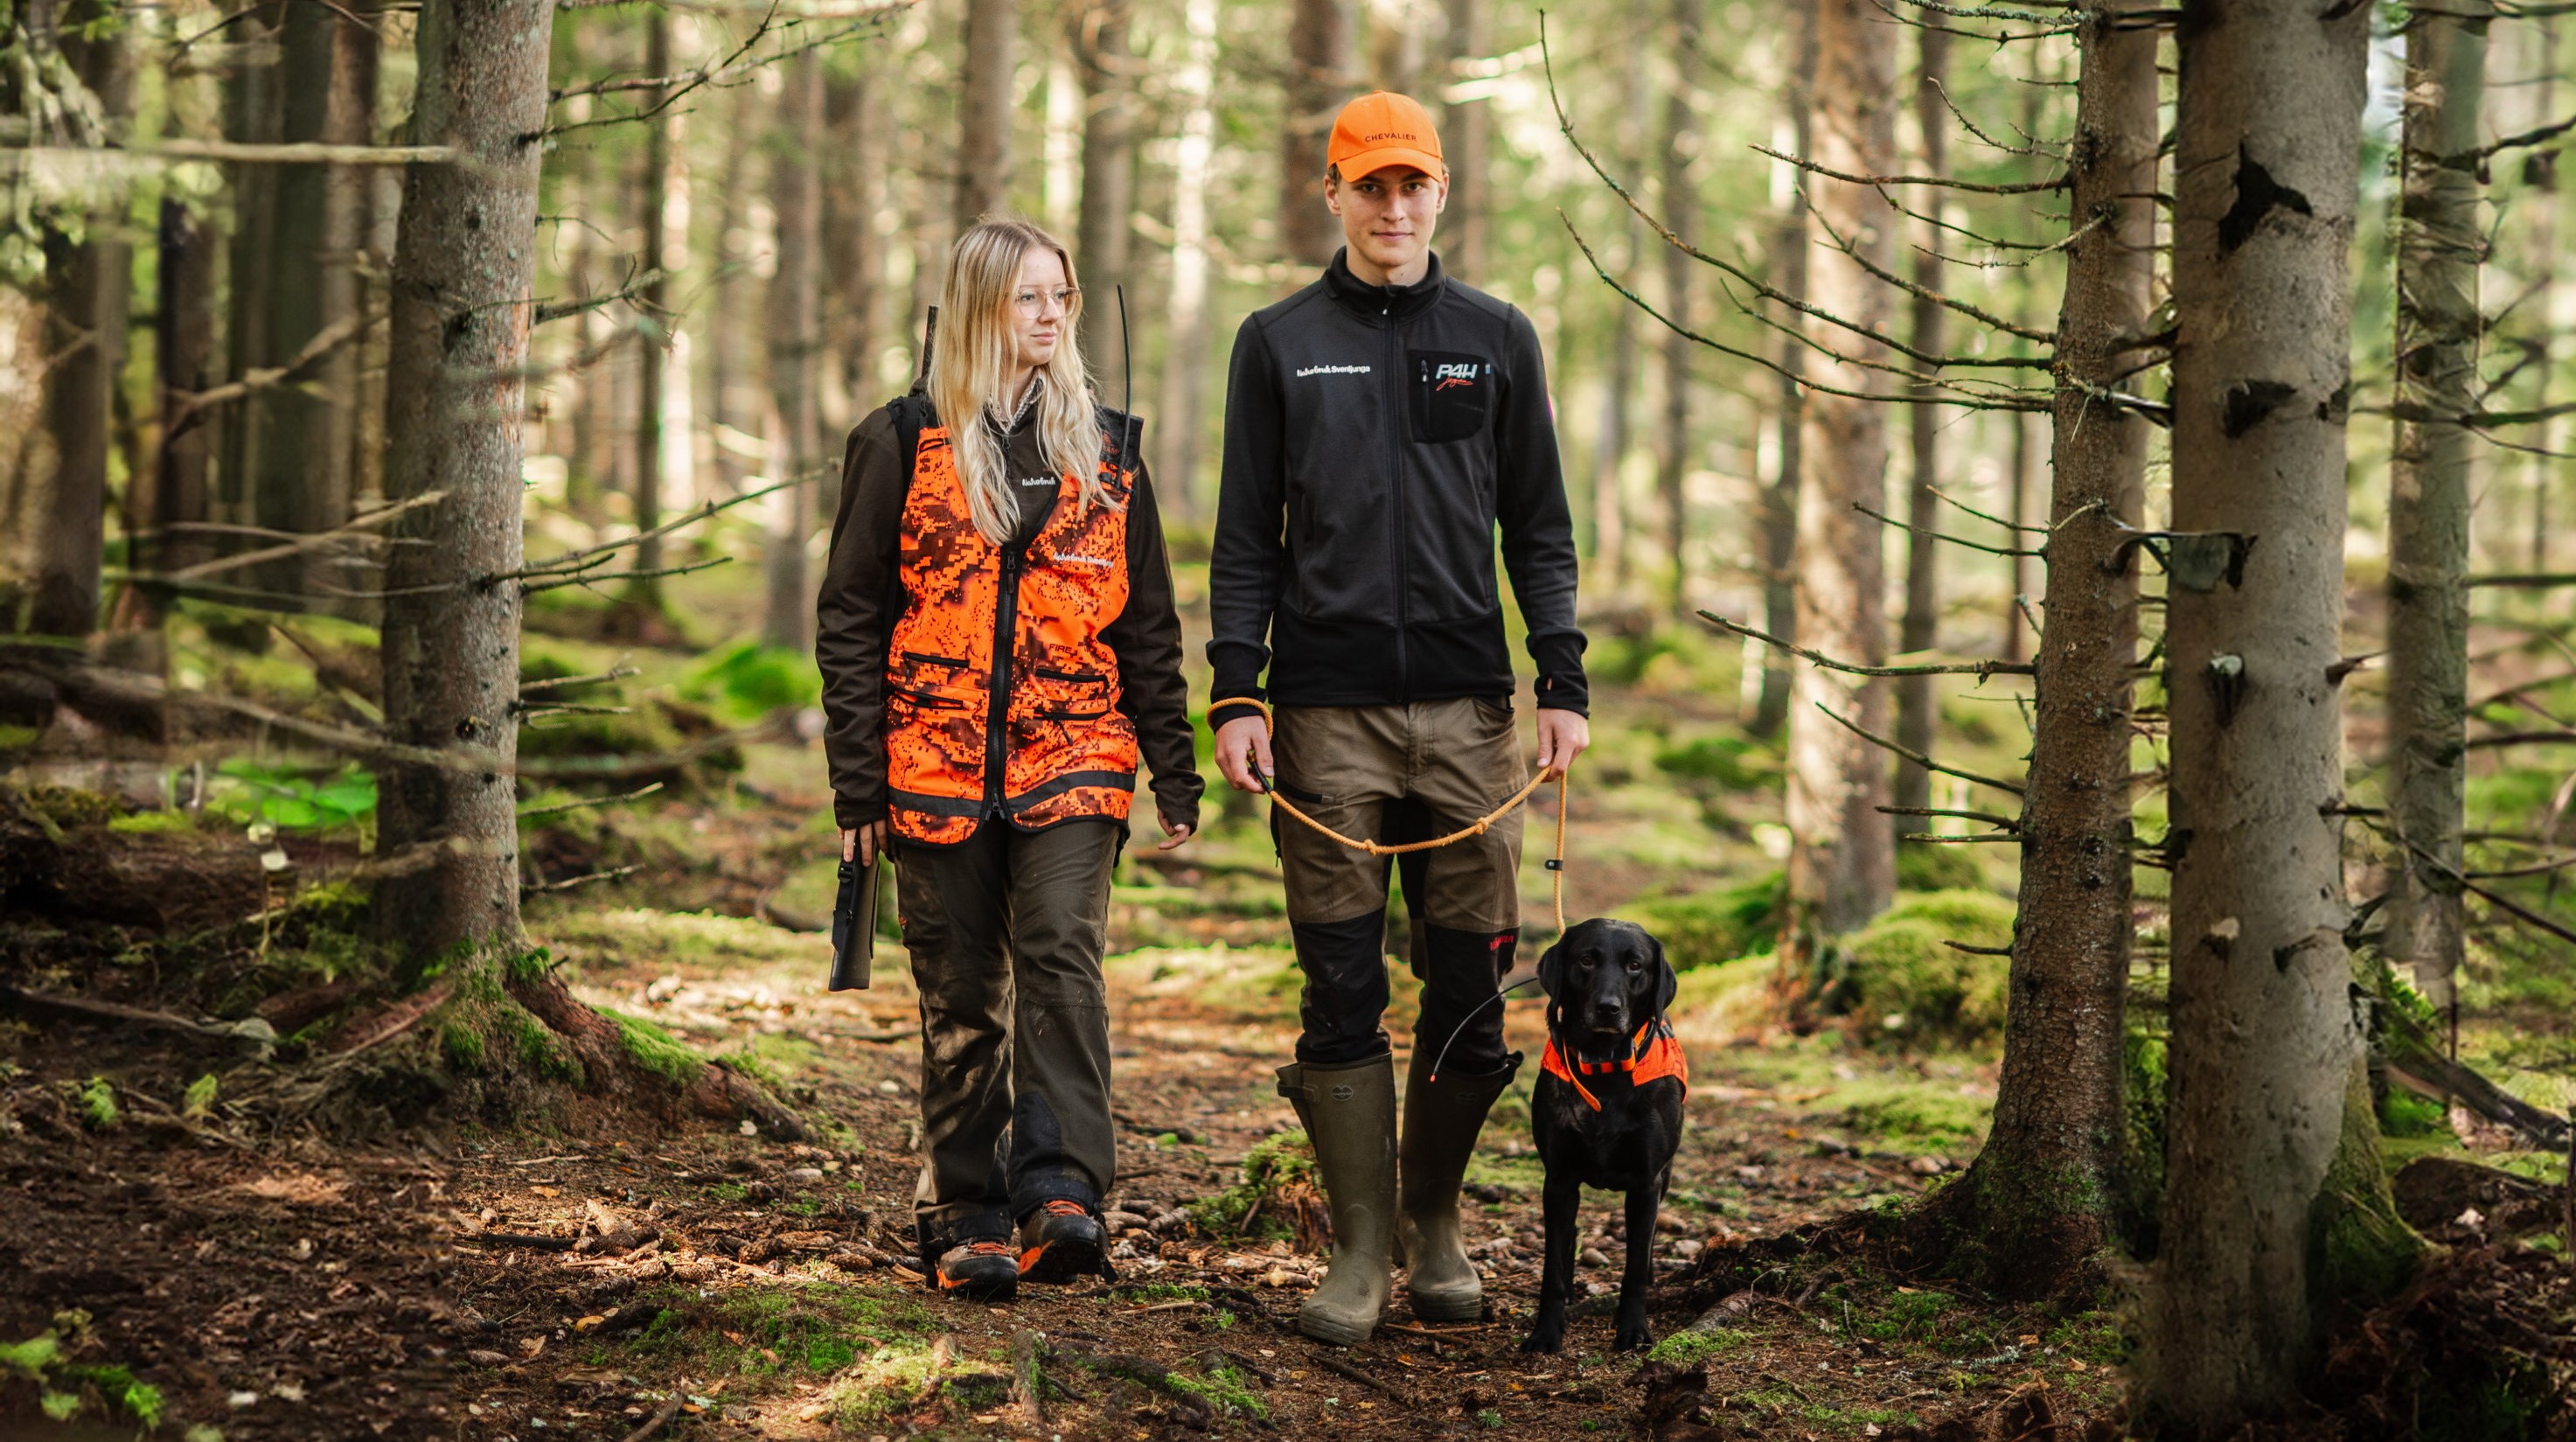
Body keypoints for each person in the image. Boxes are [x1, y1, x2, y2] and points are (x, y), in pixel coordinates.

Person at [1206, 92, 1590, 1344]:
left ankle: (1434, 1226)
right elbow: (1242, 541)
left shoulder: (1495, 336)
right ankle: (1357, 1252)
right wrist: (1236, 690)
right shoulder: (1275, 342)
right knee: (1336, 988)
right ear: (1332, 192)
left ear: (1441, 192)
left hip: (1475, 715)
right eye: (1367, 185)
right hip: (1325, 719)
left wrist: (1563, 682)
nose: (1391, 206)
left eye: (1410, 183)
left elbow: (1536, 525)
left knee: (1471, 989)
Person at [817, 217, 1201, 1302]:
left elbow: (1150, 627)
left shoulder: (1112, 450)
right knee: (963, 990)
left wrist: (1175, 768)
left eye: (1063, 295)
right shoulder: (901, 439)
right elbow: (848, 615)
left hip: (1076, 750)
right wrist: (858, 780)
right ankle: (967, 1205)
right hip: (928, 762)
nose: (1052, 314)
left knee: (1062, 959)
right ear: (982, 305)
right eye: (1030, 296)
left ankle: (1064, 1190)